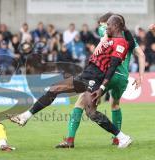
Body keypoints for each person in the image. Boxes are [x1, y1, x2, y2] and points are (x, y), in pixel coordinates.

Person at [10, 15, 133, 148]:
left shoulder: (121, 43)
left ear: (115, 26)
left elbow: (113, 66)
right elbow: (107, 32)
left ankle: (122, 137)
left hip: (95, 77)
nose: (105, 28)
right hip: (87, 73)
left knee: (91, 113)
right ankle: (25, 116)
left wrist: (102, 88)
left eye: (108, 25)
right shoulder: (109, 37)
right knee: (55, 88)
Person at [56, 13, 145, 148]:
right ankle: (117, 139)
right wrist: (141, 76)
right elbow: (141, 54)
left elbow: (103, 39)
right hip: (122, 78)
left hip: (108, 75)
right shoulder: (130, 39)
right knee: (115, 105)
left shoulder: (107, 34)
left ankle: (70, 140)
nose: (103, 27)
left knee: (81, 104)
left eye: (104, 24)